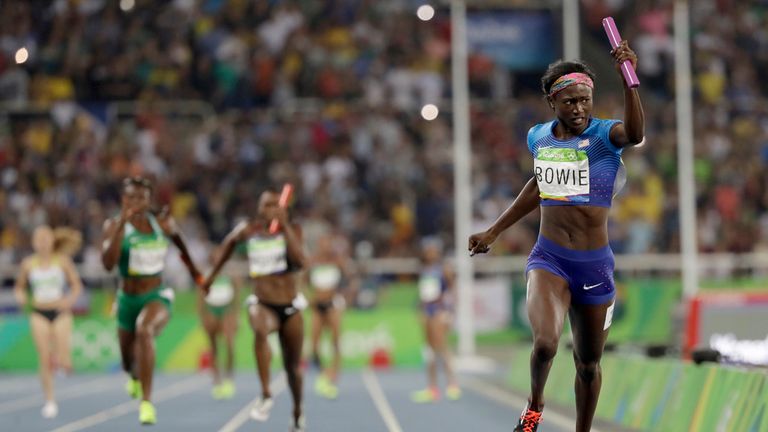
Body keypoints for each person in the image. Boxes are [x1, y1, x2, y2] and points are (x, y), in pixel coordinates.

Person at [468, 41, 644, 432]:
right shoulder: (538, 138)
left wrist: (630, 83)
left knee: (587, 364)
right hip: (549, 259)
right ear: (552, 102)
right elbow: (538, 185)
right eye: (570, 102)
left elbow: (634, 132)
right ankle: (533, 407)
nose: (579, 109)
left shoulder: (604, 136)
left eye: (585, 100)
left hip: (595, 266)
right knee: (545, 343)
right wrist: (494, 231)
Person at [203, 188, 307, 432]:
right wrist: (210, 278)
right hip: (263, 302)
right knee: (260, 328)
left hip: (290, 305)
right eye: (267, 205)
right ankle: (266, 393)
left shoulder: (294, 229)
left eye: (275, 205)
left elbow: (301, 261)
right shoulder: (249, 230)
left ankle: (298, 412)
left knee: (293, 369)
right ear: (259, 209)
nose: (271, 209)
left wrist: (285, 227)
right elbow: (226, 247)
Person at [101, 176, 203, 425]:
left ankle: (146, 403)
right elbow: (107, 264)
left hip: (156, 294)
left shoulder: (160, 222)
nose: (136, 202)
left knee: (145, 330)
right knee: (127, 361)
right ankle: (134, 376)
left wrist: (197, 275)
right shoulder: (114, 225)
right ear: (124, 200)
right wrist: (121, 224)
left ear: (149, 200)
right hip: (127, 299)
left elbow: (182, 246)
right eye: (131, 197)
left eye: (141, 198)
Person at [14, 226, 83, 419]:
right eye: (39, 239)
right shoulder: (28, 264)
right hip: (39, 312)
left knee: (64, 359)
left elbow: (76, 285)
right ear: (34, 243)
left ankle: (60, 358)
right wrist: (20, 296)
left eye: (46, 238)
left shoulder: (62, 261)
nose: (43, 242)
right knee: (43, 358)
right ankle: (50, 400)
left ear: (52, 241)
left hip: (60, 311)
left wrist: (69, 301)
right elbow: (19, 287)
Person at [307, 232, 358, 399]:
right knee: (314, 344)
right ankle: (323, 373)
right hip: (317, 305)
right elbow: (301, 281)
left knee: (335, 340)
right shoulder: (313, 261)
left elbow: (353, 280)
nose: (325, 246)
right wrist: (308, 297)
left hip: (333, 304)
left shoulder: (338, 261)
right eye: (322, 243)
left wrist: (346, 297)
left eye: (328, 243)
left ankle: (333, 374)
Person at [410, 237, 461, 403]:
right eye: (428, 250)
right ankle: (432, 388)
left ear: (437, 252)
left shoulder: (443, 269)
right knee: (430, 350)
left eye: (433, 250)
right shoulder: (424, 270)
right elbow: (423, 293)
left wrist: (450, 311)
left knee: (442, 346)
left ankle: (452, 384)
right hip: (427, 311)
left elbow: (452, 291)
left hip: (439, 311)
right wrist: (420, 309)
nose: (430, 252)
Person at [198, 246, 241, 400]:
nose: (218, 258)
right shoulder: (206, 273)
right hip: (211, 309)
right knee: (213, 346)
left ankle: (229, 377)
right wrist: (202, 315)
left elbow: (237, 295)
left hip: (227, 309)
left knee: (229, 344)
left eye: (220, 255)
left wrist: (237, 315)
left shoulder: (231, 272)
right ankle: (217, 381)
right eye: (215, 255)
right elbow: (200, 294)